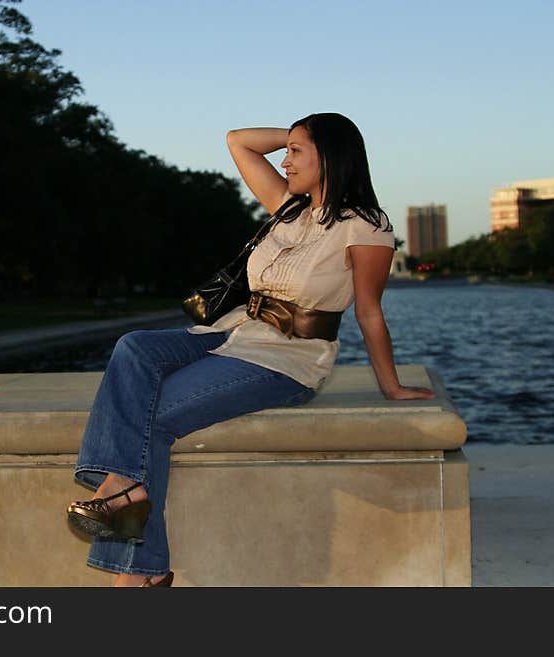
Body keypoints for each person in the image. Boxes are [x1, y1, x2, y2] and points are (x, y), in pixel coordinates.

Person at [66, 112, 436, 587]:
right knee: (135, 346)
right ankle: (126, 492)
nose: (285, 160)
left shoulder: (366, 226)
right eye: (288, 149)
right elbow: (238, 141)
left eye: (297, 152)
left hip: (288, 359)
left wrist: (391, 386)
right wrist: (300, 134)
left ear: (331, 157)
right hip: (233, 331)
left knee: (152, 418)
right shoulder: (288, 208)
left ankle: (137, 563)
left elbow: (368, 311)